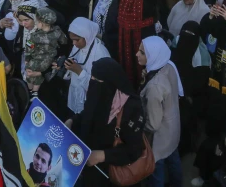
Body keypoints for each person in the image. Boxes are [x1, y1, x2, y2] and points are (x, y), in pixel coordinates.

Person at [76, 58, 146, 187]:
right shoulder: (98, 93)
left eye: (98, 81)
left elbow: (134, 149)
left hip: (113, 174)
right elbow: (88, 114)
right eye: (92, 78)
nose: (93, 83)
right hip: (90, 170)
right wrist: (72, 121)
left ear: (111, 83)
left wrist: (103, 156)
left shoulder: (130, 108)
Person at [137, 36, 183, 187]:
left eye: (142, 52)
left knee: (157, 170)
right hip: (173, 127)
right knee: (173, 159)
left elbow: (153, 124)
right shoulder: (168, 66)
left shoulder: (154, 87)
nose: (137, 54)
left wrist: (140, 129)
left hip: (160, 137)